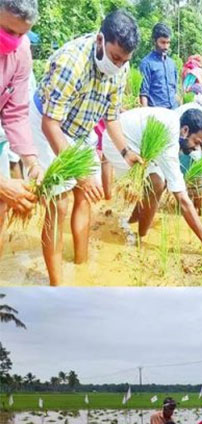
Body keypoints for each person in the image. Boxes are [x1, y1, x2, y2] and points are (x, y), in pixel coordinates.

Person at [33, 9, 141, 286]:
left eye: (125, 60)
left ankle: (81, 266)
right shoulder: (72, 63)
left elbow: (112, 116)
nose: (119, 66)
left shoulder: (121, 69)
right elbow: (50, 125)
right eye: (115, 58)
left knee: (85, 196)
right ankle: (57, 286)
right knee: (59, 203)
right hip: (49, 124)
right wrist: (79, 172)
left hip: (82, 129)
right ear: (100, 40)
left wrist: (126, 152)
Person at [105, 106, 202, 253]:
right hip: (117, 142)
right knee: (156, 183)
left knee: (158, 182)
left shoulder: (173, 123)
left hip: (131, 139)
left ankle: (132, 221)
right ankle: (141, 240)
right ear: (185, 130)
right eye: (196, 142)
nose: (196, 148)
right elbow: (183, 200)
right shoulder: (169, 138)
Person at [0, 0, 43, 253]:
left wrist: (32, 163)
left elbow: (15, 113)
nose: (14, 40)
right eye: (8, 30)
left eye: (21, 33)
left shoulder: (22, 50)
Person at [138, 23, 179, 109]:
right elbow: (144, 93)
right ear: (154, 41)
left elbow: (175, 91)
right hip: (156, 112)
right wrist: (146, 113)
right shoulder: (146, 63)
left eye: (168, 43)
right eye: (162, 42)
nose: (166, 47)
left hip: (174, 109)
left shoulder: (172, 64)